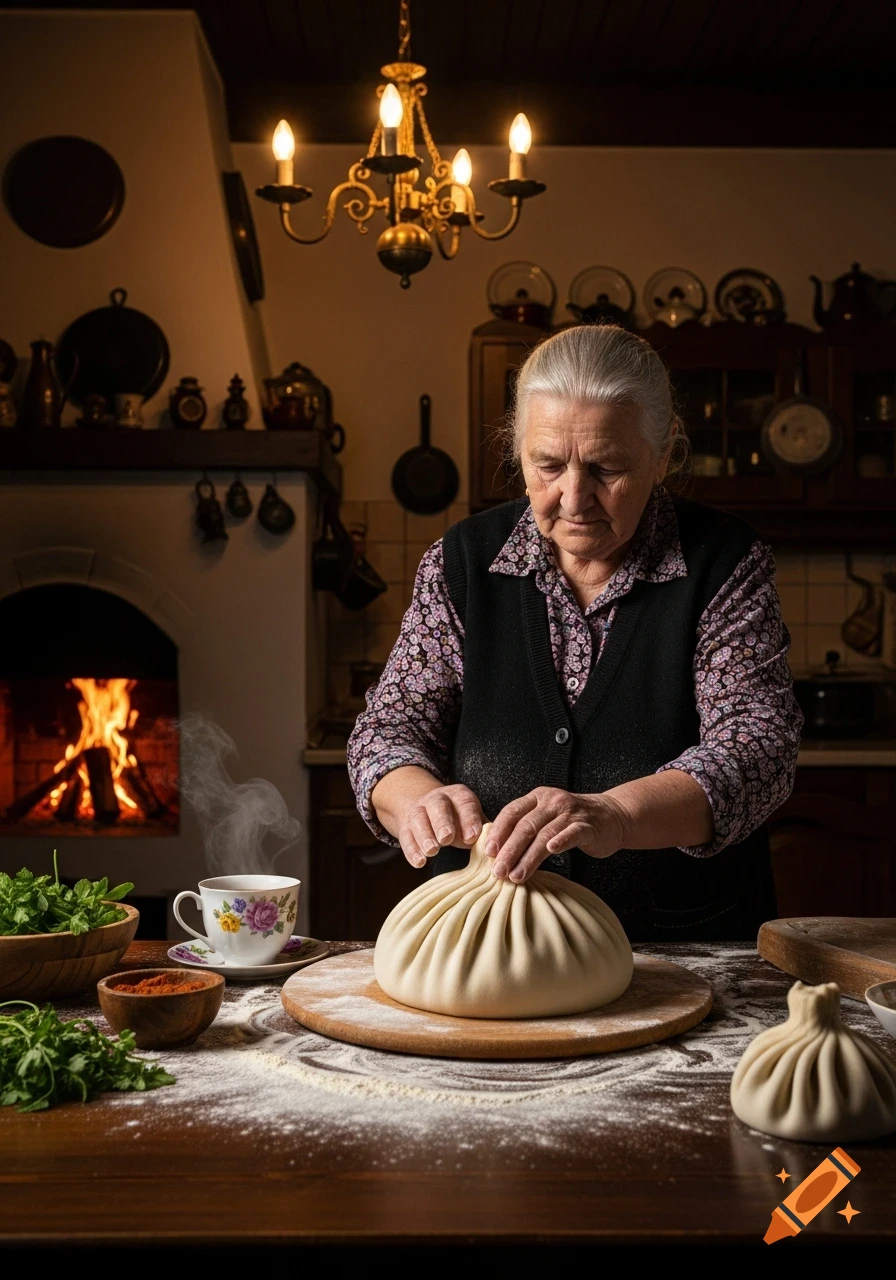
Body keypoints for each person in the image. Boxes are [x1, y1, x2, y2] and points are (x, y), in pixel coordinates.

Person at [347, 325, 802, 940]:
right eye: (548, 464)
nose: (573, 496)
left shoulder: (724, 563)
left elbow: (758, 748)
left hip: (681, 949)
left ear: (664, 456)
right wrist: (415, 799)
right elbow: (388, 729)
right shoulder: (462, 562)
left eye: (606, 467)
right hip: (487, 946)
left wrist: (614, 814)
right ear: (519, 453)